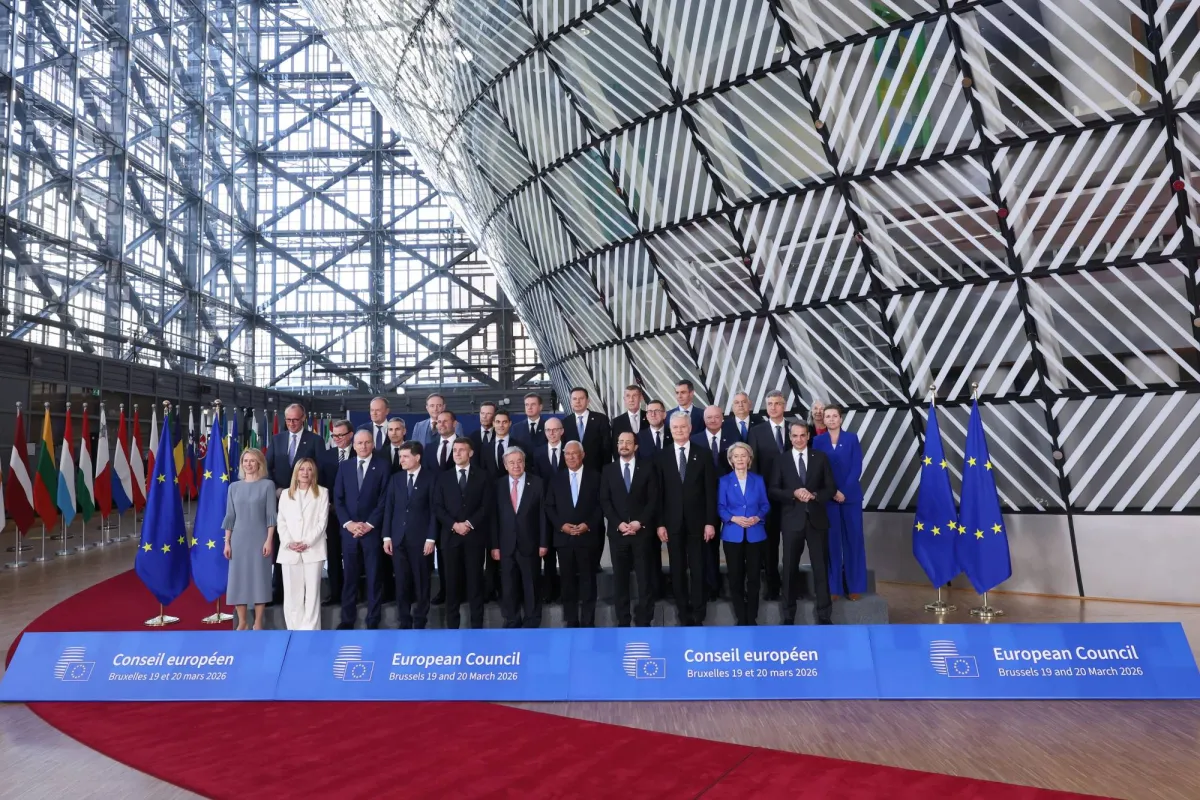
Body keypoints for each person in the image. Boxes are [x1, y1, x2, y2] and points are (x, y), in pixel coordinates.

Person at [768, 421, 837, 625]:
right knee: (789, 568)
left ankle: (824, 615)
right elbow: (773, 490)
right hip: (792, 521)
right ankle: (788, 615)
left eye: (802, 435)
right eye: (795, 435)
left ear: (808, 436)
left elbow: (830, 488)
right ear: (790, 437)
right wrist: (793, 493)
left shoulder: (821, 458)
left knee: (821, 568)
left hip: (817, 520)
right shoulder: (781, 460)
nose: (798, 439)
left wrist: (814, 495)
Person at [656, 412, 717, 626]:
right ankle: (683, 613)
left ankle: (699, 613)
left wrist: (710, 522)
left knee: (698, 568)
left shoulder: (704, 454)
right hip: (672, 523)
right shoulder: (661, 456)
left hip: (698, 523)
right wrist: (660, 523)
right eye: (675, 427)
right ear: (670, 430)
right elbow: (658, 493)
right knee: (677, 568)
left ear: (690, 429)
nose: (679, 431)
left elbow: (710, 491)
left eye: (683, 427)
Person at [600, 431, 658, 627]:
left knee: (645, 579)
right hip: (618, 534)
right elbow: (605, 501)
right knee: (620, 579)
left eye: (628, 442)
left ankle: (644, 620)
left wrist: (639, 522)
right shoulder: (608, 470)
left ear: (636, 446)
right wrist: (619, 523)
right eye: (620, 442)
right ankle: (623, 620)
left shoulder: (648, 468)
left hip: (642, 533)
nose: (623, 445)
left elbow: (653, 499)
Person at [434, 437, 493, 629]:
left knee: (475, 584)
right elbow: (438, 507)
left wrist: (468, 523)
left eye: (461, 450)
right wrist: (454, 525)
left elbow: (486, 506)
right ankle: (452, 627)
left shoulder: (483, 476)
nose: (457, 453)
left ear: (471, 453)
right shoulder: (443, 477)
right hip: (450, 539)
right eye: (455, 450)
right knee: (451, 585)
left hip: (474, 538)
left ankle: (477, 628)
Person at [333, 430, 389, 629]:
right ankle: (347, 619)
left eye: (367, 442)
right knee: (350, 577)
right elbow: (338, 499)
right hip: (349, 532)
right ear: (354, 445)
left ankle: (373, 619)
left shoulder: (383, 466)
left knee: (374, 577)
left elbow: (384, 499)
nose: (363, 446)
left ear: (373, 444)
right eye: (359, 443)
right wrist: (349, 524)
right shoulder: (345, 466)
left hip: (372, 532)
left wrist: (369, 524)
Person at [267, 403, 322, 603]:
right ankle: (278, 590)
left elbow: (320, 470)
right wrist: (276, 490)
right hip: (282, 500)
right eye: (288, 420)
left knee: (305, 545)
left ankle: (305, 592)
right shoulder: (277, 439)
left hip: (307, 503)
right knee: (282, 545)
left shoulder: (315, 440)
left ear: (303, 418)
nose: (291, 423)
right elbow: (267, 468)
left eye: (295, 420)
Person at [546, 441, 603, 627]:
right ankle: (571, 620)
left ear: (582, 455)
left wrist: (588, 525)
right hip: (564, 538)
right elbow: (549, 506)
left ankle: (588, 620)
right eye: (567, 454)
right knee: (567, 581)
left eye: (574, 453)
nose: (570, 457)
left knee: (588, 581)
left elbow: (601, 505)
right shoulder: (556, 479)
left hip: (587, 538)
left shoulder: (596, 477)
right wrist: (561, 526)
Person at [382, 441, 437, 629]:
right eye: (400, 457)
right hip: (398, 539)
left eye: (405, 456)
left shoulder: (431, 478)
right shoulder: (395, 479)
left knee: (422, 583)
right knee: (401, 582)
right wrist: (386, 537)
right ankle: (404, 621)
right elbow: (389, 509)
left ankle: (420, 620)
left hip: (421, 541)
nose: (401, 460)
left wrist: (431, 538)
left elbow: (434, 511)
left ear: (417, 457)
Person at [813, 404, 866, 600]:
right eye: (827, 416)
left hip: (851, 497)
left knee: (854, 541)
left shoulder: (851, 438)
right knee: (832, 542)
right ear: (823, 419)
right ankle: (833, 588)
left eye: (834, 416)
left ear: (840, 419)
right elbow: (817, 469)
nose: (831, 419)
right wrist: (833, 491)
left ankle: (855, 587)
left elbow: (856, 467)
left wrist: (843, 491)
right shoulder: (817, 441)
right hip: (829, 499)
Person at [491, 446, 547, 628]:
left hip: (530, 543)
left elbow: (542, 516)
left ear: (524, 463)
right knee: (508, 586)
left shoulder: (537, 483)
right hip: (506, 545)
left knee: (531, 584)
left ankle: (532, 620)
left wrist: (543, 543)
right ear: (505, 465)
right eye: (511, 462)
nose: (516, 465)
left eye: (519, 461)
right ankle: (512, 620)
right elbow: (494, 518)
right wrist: (495, 545)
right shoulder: (498, 485)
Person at [223, 448, 277, 631]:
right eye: (245, 460)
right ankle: (242, 622)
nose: (248, 464)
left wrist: (269, 540)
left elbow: (271, 516)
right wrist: (227, 542)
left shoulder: (268, 485)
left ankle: (258, 622)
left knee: (259, 579)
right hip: (238, 540)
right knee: (238, 580)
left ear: (259, 463)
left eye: (252, 461)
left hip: (260, 539)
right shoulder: (233, 487)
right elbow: (230, 517)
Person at [717, 443, 769, 626]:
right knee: (735, 577)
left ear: (749, 459)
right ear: (730, 460)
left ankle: (752, 617)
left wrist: (757, 517)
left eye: (743, 455)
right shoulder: (724, 481)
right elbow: (720, 507)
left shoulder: (758, 480)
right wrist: (734, 518)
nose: (740, 459)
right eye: (736, 456)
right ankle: (741, 617)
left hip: (755, 534)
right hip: (733, 534)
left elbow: (765, 505)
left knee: (754, 578)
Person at [747, 389, 791, 600]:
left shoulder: (796, 429)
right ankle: (773, 587)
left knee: (792, 545)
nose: (773, 407)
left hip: (792, 498)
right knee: (770, 545)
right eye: (770, 404)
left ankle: (791, 588)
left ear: (784, 405)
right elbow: (753, 467)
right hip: (768, 498)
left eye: (777, 403)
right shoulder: (757, 431)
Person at [276, 457, 329, 630]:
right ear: (296, 473)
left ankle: (311, 631)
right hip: (289, 551)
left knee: (312, 594)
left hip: (313, 549)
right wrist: (289, 542)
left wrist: (307, 542)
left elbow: (322, 522)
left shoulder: (322, 493)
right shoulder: (286, 494)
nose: (305, 473)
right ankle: (294, 630)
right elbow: (281, 522)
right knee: (292, 594)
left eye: (309, 469)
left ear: (314, 473)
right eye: (302, 469)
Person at [693, 404, 737, 600]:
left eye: (716, 417)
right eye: (709, 417)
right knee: (708, 544)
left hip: (731, 499)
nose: (712, 420)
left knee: (732, 543)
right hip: (704, 501)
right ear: (704, 420)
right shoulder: (695, 440)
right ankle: (712, 587)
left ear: (722, 418)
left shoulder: (733, 439)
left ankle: (735, 588)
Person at [317, 419, 354, 606]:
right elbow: (320, 484)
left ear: (351, 434)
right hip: (331, 514)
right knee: (333, 555)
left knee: (353, 557)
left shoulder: (359, 453)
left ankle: (353, 594)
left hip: (355, 516)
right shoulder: (325, 456)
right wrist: (329, 505)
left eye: (341, 435)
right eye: (334, 435)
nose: (337, 438)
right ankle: (335, 594)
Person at [530, 416, 566, 602]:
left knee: (566, 556)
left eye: (555, 430)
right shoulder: (537, 453)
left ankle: (566, 593)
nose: (551, 433)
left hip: (567, 509)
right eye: (548, 430)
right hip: (545, 509)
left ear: (562, 431)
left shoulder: (570, 451)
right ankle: (550, 592)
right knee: (548, 554)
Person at [561, 386, 612, 472]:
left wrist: (606, 471)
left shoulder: (601, 419)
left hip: (597, 470)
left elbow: (607, 448)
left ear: (588, 401)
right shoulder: (565, 422)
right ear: (571, 402)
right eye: (574, 399)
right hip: (574, 471)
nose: (578, 401)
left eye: (581, 398)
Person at [611, 384, 646, 457]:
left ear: (641, 398)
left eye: (634, 396)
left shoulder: (650, 417)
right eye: (628, 396)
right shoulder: (617, 422)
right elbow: (615, 448)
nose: (631, 400)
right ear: (624, 399)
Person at [481, 409, 515, 477]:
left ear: (510, 423)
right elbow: (483, 471)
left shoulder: (519, 446)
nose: (501, 425)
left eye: (504, 422)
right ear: (493, 424)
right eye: (498, 422)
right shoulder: (485, 448)